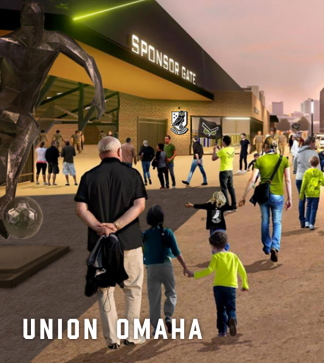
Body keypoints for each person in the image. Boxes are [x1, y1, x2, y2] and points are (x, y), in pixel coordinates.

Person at [74, 136, 148, 349]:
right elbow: (139, 205)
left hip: (100, 247)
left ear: (100, 154)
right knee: (132, 289)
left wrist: (99, 227)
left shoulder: (88, 177)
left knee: (105, 290)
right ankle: (132, 336)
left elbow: (81, 209)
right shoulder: (133, 175)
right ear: (118, 152)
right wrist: (117, 225)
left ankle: (112, 339)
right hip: (130, 242)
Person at [241, 136, 292, 263]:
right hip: (277, 195)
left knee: (265, 221)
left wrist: (243, 197)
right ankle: (275, 246)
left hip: (263, 195)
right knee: (277, 222)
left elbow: (252, 179)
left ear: (265, 147)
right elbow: (288, 180)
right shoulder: (283, 160)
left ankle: (267, 246)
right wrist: (290, 198)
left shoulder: (260, 160)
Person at [143, 205, 191, 333]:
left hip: (151, 268)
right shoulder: (168, 232)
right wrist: (185, 267)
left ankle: (156, 328)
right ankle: (168, 316)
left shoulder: (145, 235)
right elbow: (176, 252)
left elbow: (142, 251)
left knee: (153, 299)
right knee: (171, 292)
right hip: (166, 266)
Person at [191, 231, 248, 337]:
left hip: (218, 287)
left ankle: (222, 330)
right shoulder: (233, 256)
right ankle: (232, 319)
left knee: (220, 309)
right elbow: (242, 271)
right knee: (231, 308)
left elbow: (208, 270)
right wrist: (245, 284)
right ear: (225, 244)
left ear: (213, 246)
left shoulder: (215, 257)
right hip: (231, 287)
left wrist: (194, 274)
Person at [291, 136, 319, 228]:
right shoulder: (314, 153)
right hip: (310, 179)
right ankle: (308, 220)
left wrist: (296, 171)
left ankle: (302, 220)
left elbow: (294, 165)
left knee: (301, 199)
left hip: (299, 177)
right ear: (310, 143)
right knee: (310, 201)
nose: (314, 144)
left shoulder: (298, 152)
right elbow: (318, 168)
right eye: (314, 143)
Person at [300, 153, 324, 230]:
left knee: (308, 206)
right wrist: (319, 181)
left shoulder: (307, 172)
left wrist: (301, 193)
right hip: (316, 193)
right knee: (314, 208)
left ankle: (307, 222)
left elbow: (304, 183)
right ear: (318, 163)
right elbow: (323, 183)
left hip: (308, 192)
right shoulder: (319, 172)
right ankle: (312, 223)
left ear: (310, 163)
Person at [212, 135, 237, 208]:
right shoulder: (232, 149)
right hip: (230, 170)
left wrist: (214, 150)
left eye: (222, 140)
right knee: (231, 188)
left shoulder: (222, 151)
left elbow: (213, 158)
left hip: (223, 171)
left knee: (224, 189)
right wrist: (219, 149)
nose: (221, 142)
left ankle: (227, 205)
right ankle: (234, 205)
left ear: (224, 142)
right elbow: (225, 152)